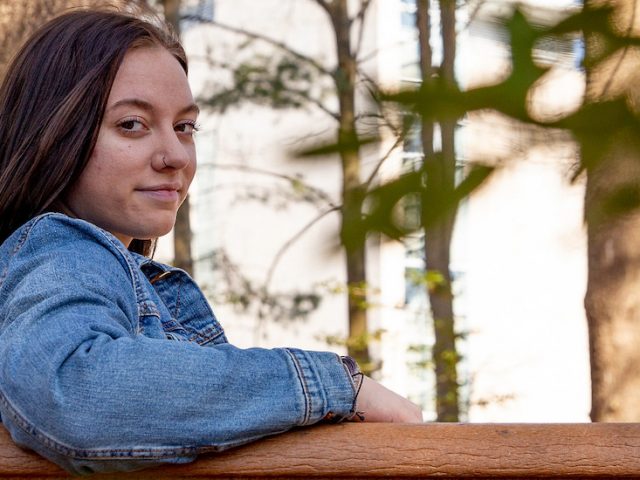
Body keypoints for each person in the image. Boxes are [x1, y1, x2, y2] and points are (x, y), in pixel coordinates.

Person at [0, 6, 422, 475]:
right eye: (132, 124)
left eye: (185, 127)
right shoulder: (59, 248)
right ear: (55, 134)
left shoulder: (100, 269)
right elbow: (73, 389)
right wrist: (332, 386)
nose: (176, 156)